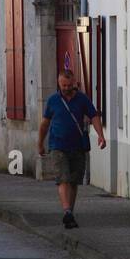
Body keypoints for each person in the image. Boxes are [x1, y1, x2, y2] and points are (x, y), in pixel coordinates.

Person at [38, 69, 106, 229]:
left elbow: (94, 116)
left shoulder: (82, 99)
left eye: (69, 85)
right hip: (57, 146)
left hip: (78, 146)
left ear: (74, 83)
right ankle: (67, 210)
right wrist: (40, 143)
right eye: (63, 85)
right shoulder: (53, 100)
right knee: (63, 178)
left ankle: (70, 213)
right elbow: (45, 123)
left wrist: (101, 135)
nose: (66, 88)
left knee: (74, 181)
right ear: (59, 83)